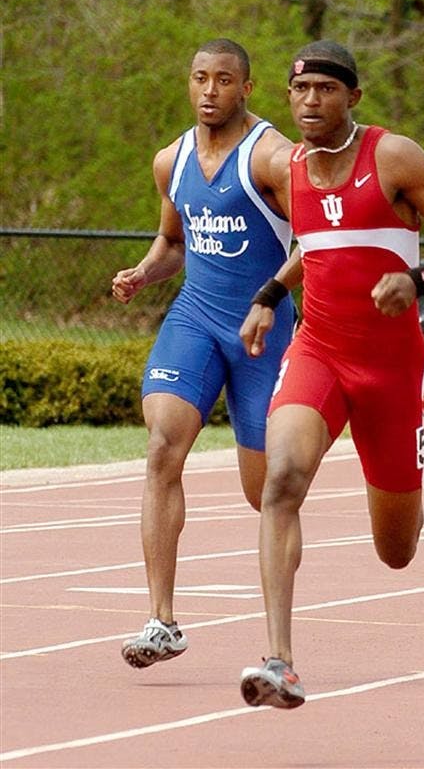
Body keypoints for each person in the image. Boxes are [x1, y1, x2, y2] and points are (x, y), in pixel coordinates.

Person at [238, 40, 424, 709]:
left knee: (396, 552)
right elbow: (314, 246)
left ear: (353, 96)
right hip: (317, 349)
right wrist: (269, 296)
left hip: (388, 368)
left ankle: (415, 436)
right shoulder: (288, 166)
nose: (310, 102)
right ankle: (278, 661)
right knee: (282, 481)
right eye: (299, 91)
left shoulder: (394, 157)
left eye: (325, 90)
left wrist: (420, 279)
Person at [112, 38, 296, 669]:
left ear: (247, 88)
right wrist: (142, 272)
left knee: (267, 491)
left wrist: (272, 298)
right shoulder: (172, 160)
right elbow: (172, 242)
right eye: (199, 78)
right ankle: (162, 621)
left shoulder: (272, 157)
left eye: (223, 80)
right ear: (188, 84)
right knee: (163, 443)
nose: (209, 90)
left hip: (264, 329)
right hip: (195, 317)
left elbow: (316, 244)